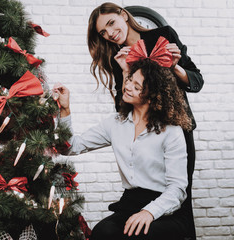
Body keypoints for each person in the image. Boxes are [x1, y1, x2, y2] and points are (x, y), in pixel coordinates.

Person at [53, 37, 193, 240]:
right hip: (130, 204)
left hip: (165, 209)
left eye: (137, 86)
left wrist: (149, 212)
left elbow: (178, 189)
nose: (128, 87)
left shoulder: (171, 132)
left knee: (138, 235)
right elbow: (70, 147)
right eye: (129, 80)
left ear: (153, 95)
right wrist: (65, 109)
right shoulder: (115, 123)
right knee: (102, 233)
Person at [86, 3, 204, 239]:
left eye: (111, 23)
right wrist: (124, 72)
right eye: (103, 33)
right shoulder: (115, 58)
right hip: (143, 133)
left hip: (174, 129)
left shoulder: (163, 35)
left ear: (123, 15)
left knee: (179, 198)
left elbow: (196, 80)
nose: (110, 34)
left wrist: (176, 67)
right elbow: (123, 106)